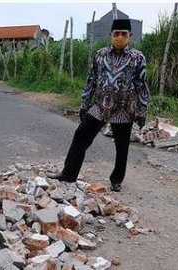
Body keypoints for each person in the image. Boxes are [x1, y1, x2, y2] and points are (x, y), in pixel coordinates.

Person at [48, 19, 150, 192]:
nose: (119, 37)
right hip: (99, 107)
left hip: (124, 109)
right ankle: (69, 174)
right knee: (81, 135)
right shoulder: (100, 55)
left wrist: (142, 111)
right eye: (116, 33)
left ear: (130, 36)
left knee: (122, 145)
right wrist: (84, 104)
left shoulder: (137, 57)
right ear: (111, 35)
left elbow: (142, 84)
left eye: (123, 34)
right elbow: (91, 81)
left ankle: (116, 179)